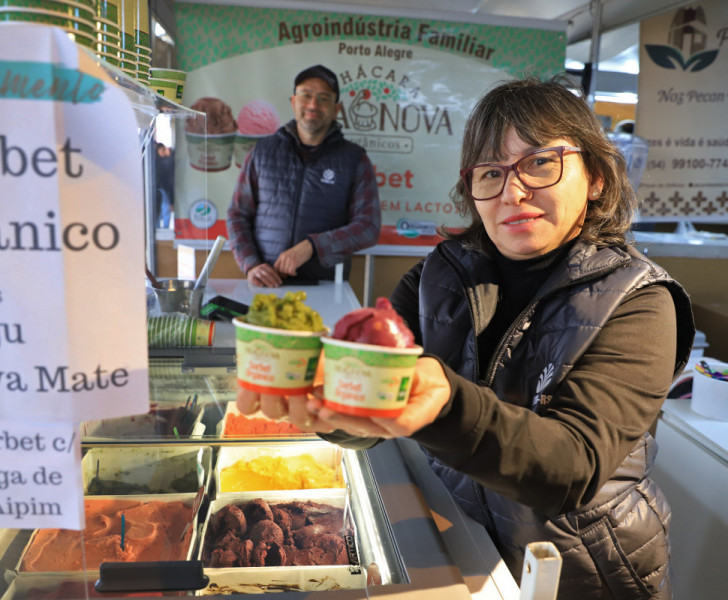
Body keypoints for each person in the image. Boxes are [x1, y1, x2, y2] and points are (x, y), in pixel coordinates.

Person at [235, 76, 696, 599]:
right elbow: (372, 411)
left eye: (541, 162)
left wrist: (445, 405)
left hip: (582, 572)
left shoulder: (640, 300)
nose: (513, 191)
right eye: (491, 172)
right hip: (463, 548)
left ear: (595, 177)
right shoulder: (440, 276)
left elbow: (573, 467)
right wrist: (329, 407)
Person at [227, 64, 381, 287]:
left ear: (337, 109)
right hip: (266, 284)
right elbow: (237, 215)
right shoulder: (262, 152)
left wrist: (313, 246)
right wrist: (251, 264)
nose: (313, 105)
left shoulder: (354, 159)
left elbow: (368, 227)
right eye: (306, 95)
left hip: (327, 285)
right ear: (293, 101)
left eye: (323, 98)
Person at [155, 142, 174, 229]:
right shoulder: (160, 163)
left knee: (162, 209)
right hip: (161, 189)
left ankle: (160, 227)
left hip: (161, 189)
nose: (164, 152)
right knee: (164, 209)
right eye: (162, 150)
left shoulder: (158, 162)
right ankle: (163, 227)